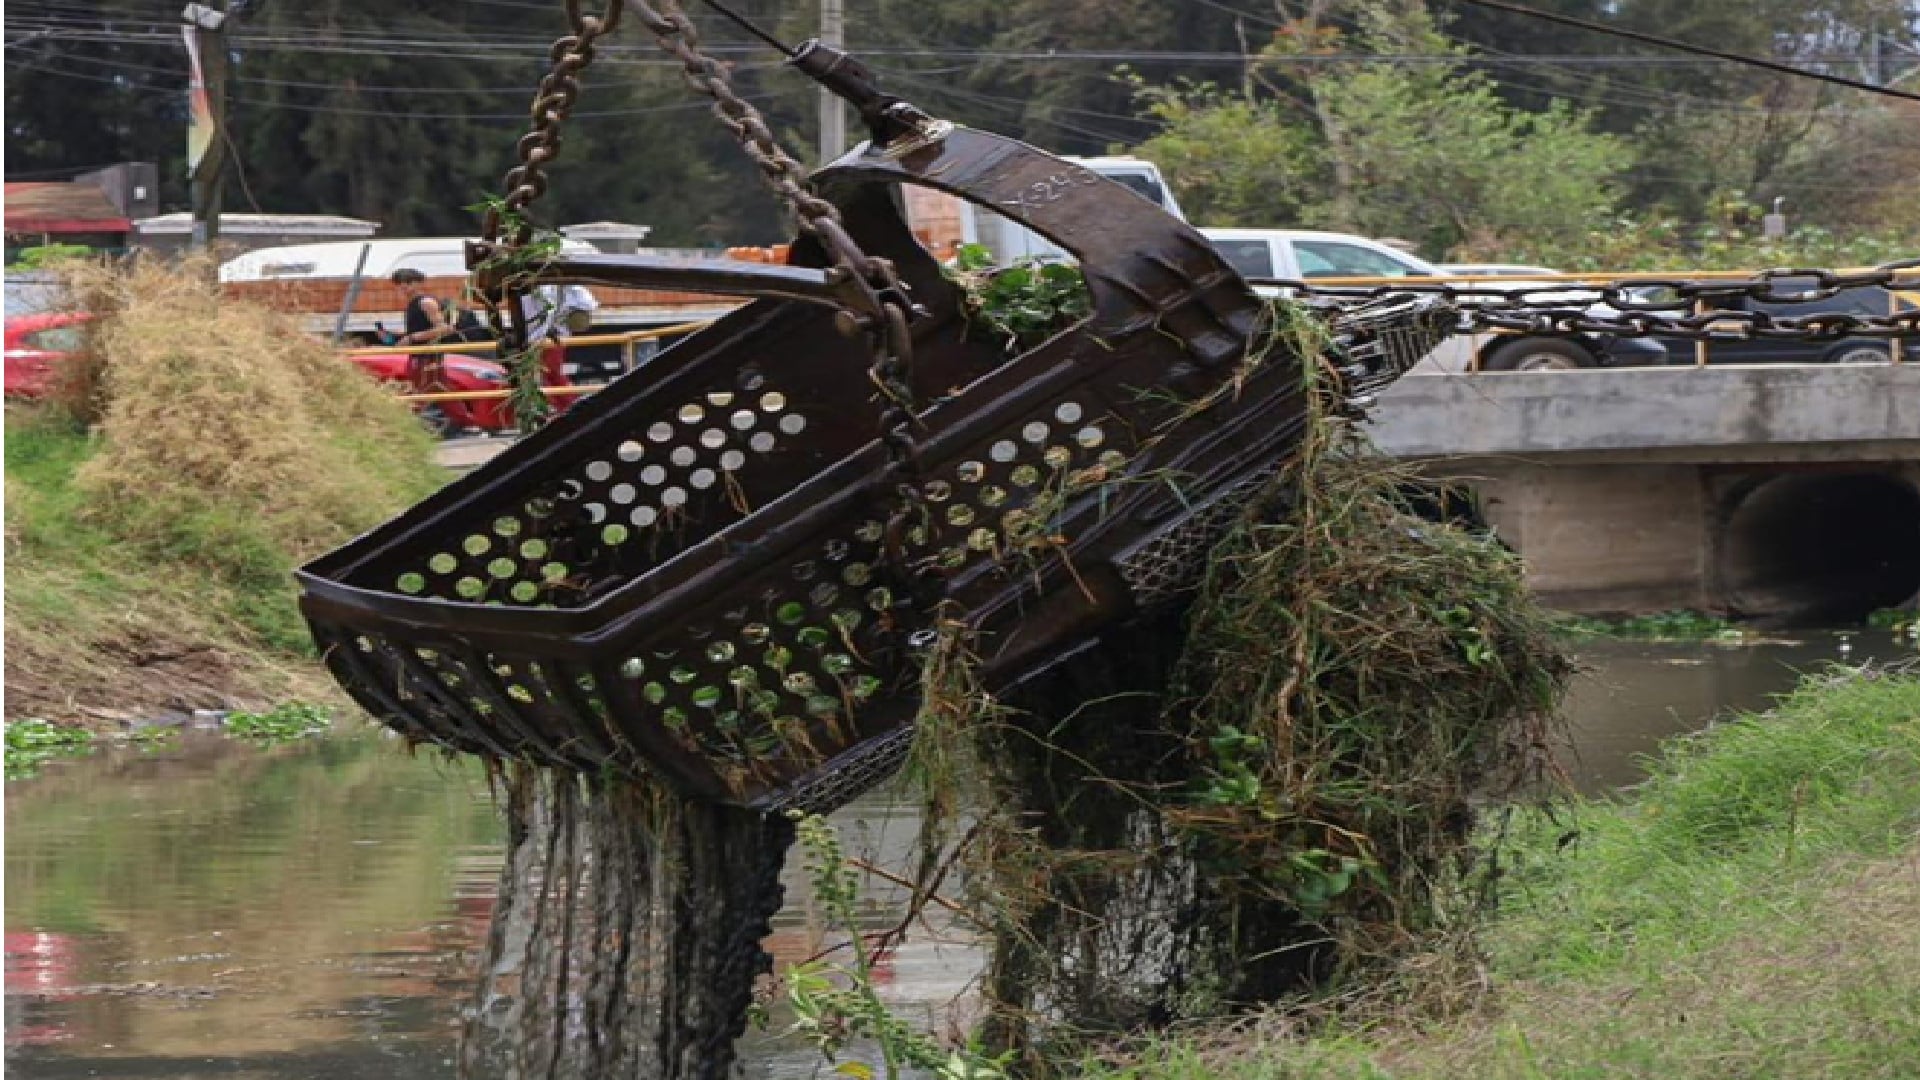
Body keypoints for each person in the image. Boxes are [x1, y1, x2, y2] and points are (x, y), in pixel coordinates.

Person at [393, 268, 454, 347]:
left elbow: (445, 329)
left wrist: (411, 338)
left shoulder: (426, 302)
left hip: (430, 354)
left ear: (419, 283)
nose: (403, 285)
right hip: (418, 352)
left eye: (408, 282)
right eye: (399, 282)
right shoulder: (412, 304)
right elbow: (420, 329)